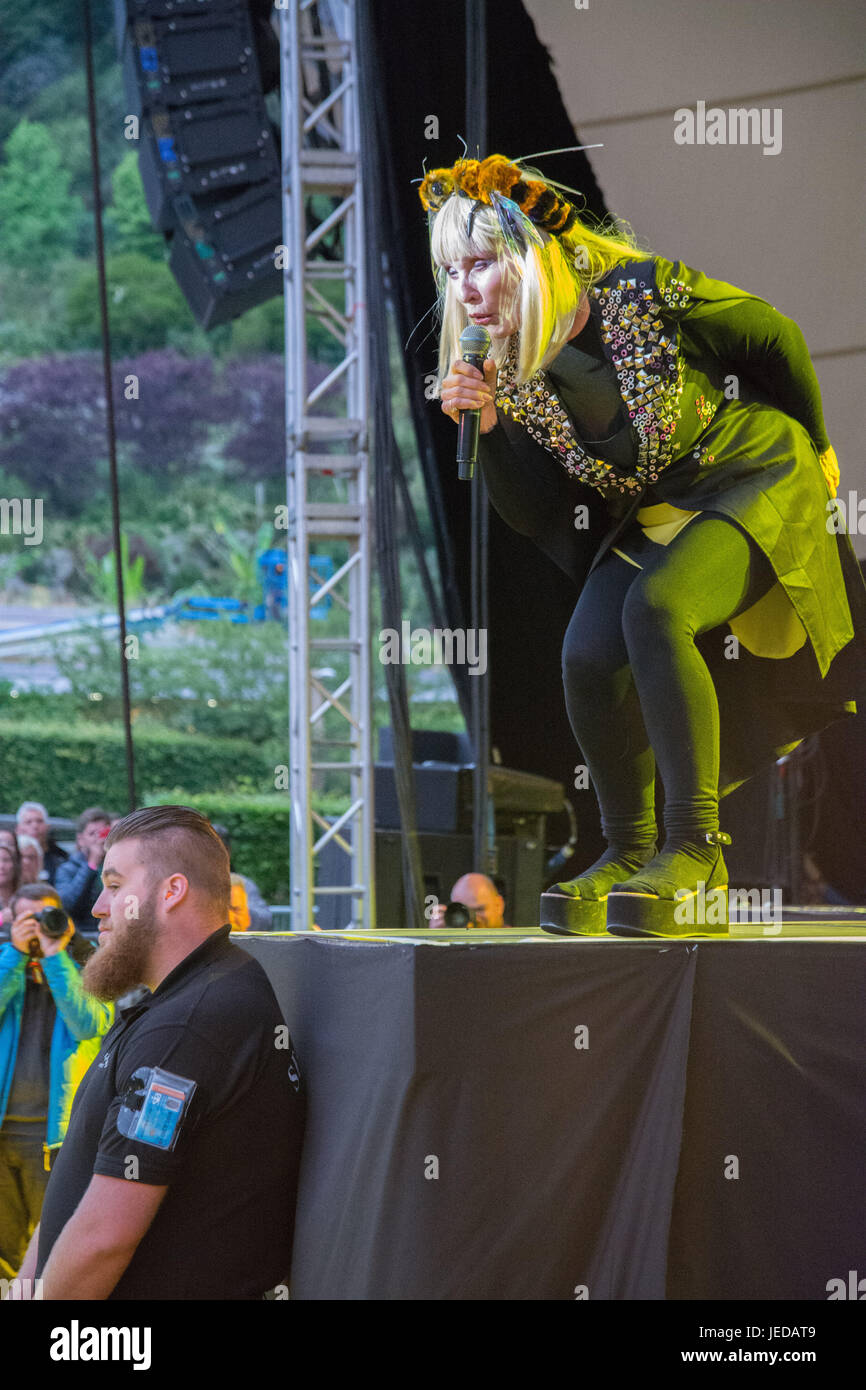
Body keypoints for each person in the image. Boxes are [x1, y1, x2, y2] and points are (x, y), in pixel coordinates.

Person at [420, 153, 866, 939]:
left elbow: (774, 336)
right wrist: (487, 431)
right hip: (665, 503)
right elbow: (539, 514)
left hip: (756, 471)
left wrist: (823, 454)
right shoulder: (511, 374)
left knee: (659, 609)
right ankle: (630, 853)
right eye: (452, 271)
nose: (465, 290)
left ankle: (698, 851)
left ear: (531, 258)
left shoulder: (641, 292)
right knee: (588, 654)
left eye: (481, 264)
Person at [14, 805, 304, 1300]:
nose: (99, 907)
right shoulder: (184, 1000)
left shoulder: (192, 1023)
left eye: (115, 884)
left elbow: (104, 1238)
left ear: (171, 892)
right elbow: (80, 1181)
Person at [0, 883, 110, 1281]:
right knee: (3, 1250)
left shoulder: (83, 963)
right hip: (3, 1134)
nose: (37, 928)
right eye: (26, 918)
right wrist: (14, 955)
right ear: (10, 920)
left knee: (54, 1246)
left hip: (55, 1138)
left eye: (45, 917)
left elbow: (89, 1023)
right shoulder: (3, 960)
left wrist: (54, 956)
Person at [55, 807, 111, 932]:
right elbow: (68, 906)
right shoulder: (66, 869)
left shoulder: (118, 865)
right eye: (92, 834)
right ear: (81, 840)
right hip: (82, 937)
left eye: (103, 833)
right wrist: (91, 865)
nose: (99, 840)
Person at [211, 823, 273, 931]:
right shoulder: (184, 883)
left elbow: (266, 921)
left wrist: (238, 909)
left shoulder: (241, 884)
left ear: (227, 851)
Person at [429, 872, 510, 928]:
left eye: (479, 910)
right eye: (464, 912)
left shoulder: (517, 947)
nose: (472, 918)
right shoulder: (453, 945)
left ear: (499, 905)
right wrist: (435, 940)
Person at [15, 803, 69, 885]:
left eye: (39, 821)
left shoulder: (62, 859)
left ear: (47, 827)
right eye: (28, 822)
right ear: (18, 829)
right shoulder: (8, 859)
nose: (35, 826)